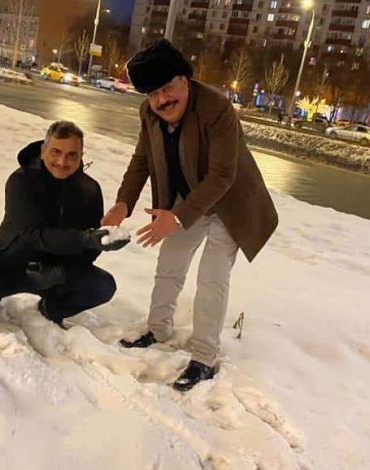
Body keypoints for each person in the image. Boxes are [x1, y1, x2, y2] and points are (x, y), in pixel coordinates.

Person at [102, 39, 278, 392]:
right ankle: (158, 328)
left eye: (167, 88)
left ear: (185, 80)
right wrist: (123, 203)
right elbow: (141, 161)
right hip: (187, 200)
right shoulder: (148, 113)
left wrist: (177, 217)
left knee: (212, 277)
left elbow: (223, 175)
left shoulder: (217, 108)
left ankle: (204, 358)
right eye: (153, 94)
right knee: (169, 265)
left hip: (229, 203)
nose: (161, 100)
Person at [0, 121, 127, 326]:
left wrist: (63, 271)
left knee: (103, 286)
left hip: (57, 271)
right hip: (12, 262)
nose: (62, 161)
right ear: (43, 150)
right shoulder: (21, 181)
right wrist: (85, 238)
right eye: (56, 152)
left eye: (72, 155)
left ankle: (50, 309)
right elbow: (33, 234)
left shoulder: (90, 190)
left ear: (81, 155)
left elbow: (89, 249)